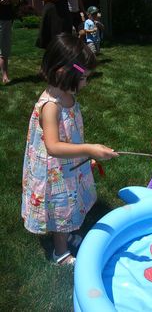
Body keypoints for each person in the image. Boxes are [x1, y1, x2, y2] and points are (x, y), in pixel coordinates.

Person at [22, 33, 118, 265]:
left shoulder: (67, 95)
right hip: (54, 169)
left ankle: (66, 234)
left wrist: (85, 152)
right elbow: (53, 146)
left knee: (71, 203)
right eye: (83, 77)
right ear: (64, 72)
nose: (85, 83)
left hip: (69, 163)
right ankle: (60, 251)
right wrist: (89, 149)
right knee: (61, 208)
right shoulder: (50, 106)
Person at [0, 0, 17, 83]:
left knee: (4, 47)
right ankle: (4, 76)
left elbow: (16, 1)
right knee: (3, 48)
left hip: (6, 19)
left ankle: (5, 75)